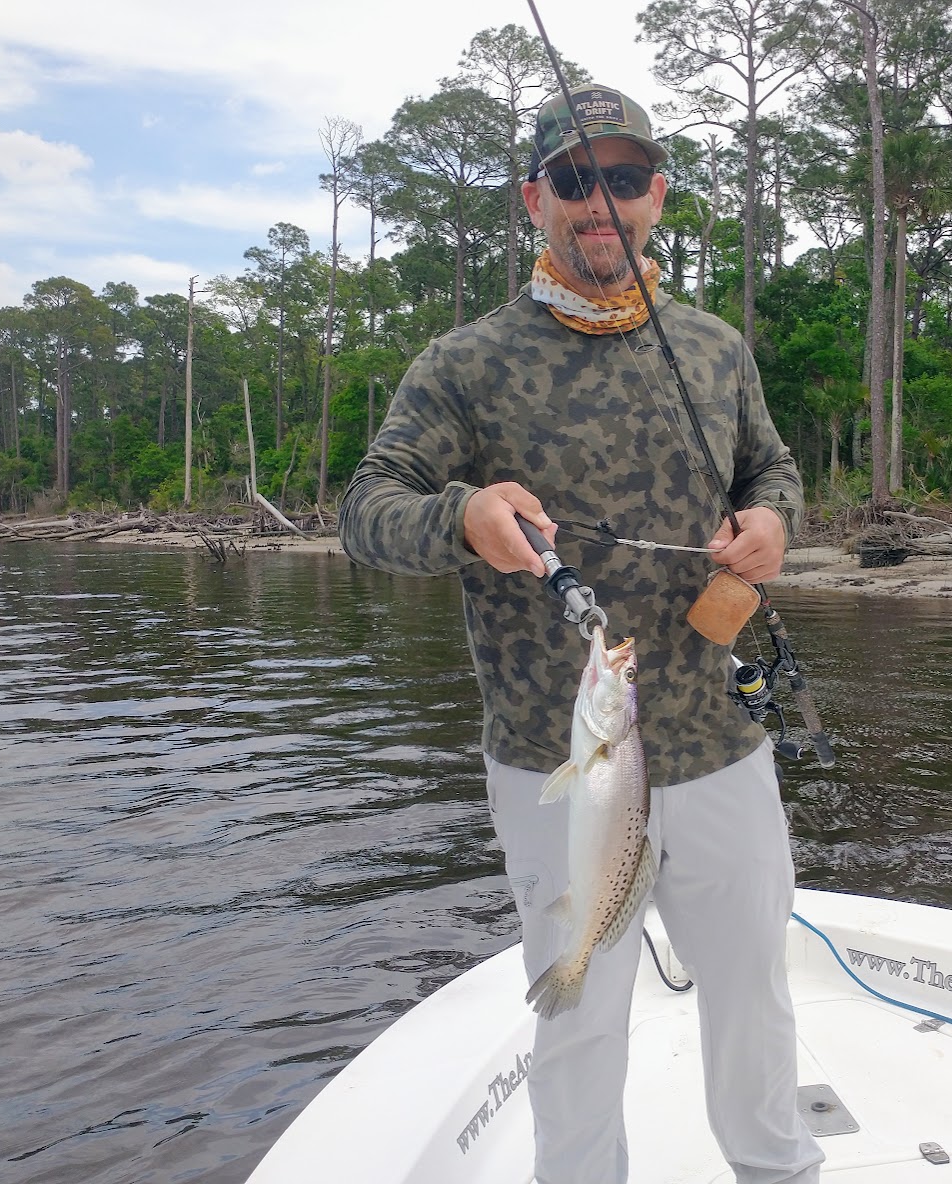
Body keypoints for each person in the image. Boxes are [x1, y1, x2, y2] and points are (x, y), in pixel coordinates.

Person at [340, 84, 822, 1184]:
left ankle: (778, 1169)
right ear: (533, 200)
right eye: (571, 178)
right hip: (558, 759)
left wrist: (773, 522)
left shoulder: (715, 347)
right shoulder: (466, 361)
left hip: (719, 743)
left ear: (657, 195)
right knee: (580, 1008)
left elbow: (773, 466)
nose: (597, 201)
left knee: (753, 987)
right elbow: (364, 509)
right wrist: (458, 516)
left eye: (621, 177)